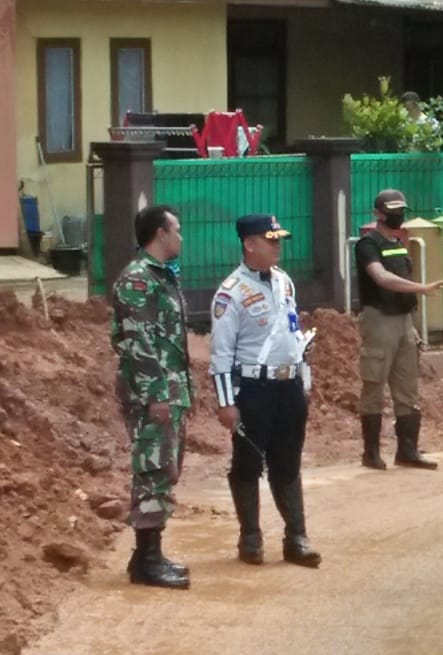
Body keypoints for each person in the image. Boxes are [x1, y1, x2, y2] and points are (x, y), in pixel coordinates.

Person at [209, 214, 321, 568]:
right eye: (270, 239)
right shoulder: (230, 293)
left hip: (288, 387)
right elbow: (221, 354)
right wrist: (226, 403)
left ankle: (297, 537)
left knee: (288, 462)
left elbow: (291, 332)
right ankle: (250, 537)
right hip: (254, 390)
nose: (277, 245)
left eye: (279, 239)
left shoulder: (284, 282)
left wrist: (303, 379)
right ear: (249, 244)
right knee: (247, 464)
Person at [109, 204, 192, 590]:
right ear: (159, 233)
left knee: (163, 470)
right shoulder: (138, 280)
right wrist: (158, 395)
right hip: (152, 395)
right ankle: (147, 562)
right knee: (152, 471)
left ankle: (146, 556)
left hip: (169, 391)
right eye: (176, 230)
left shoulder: (161, 276)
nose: (181, 236)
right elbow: (137, 344)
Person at [354, 189, 443, 470]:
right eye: (392, 210)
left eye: (400, 210)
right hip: (379, 320)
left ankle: (407, 450)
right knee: (374, 385)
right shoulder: (367, 245)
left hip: (404, 321)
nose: (397, 215)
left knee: (408, 388)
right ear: (377, 214)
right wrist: (421, 288)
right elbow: (381, 277)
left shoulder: (398, 242)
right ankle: (371, 453)